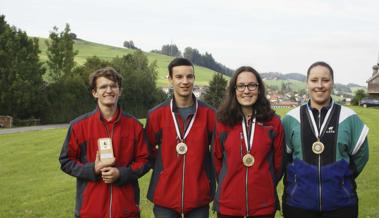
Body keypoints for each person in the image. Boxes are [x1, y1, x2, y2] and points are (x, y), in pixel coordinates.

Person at [281, 61, 369, 218]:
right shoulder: (290, 119)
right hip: (298, 205)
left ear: (333, 83)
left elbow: (361, 156)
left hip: (341, 205)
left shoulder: (349, 118)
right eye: (314, 80)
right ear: (307, 83)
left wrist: (341, 179)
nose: (319, 85)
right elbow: (283, 158)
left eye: (325, 80)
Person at [59, 67, 149, 218]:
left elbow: (145, 160)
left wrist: (121, 173)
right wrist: (92, 169)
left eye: (113, 86)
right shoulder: (78, 126)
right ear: (94, 93)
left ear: (120, 91)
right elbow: (66, 161)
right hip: (90, 211)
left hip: (126, 211)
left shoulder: (135, 126)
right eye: (103, 87)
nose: (109, 90)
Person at [145, 57, 216, 218]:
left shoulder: (210, 115)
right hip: (165, 198)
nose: (185, 81)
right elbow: (147, 151)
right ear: (170, 79)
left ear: (194, 78)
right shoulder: (156, 115)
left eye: (189, 76)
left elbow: (218, 152)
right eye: (179, 77)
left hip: (199, 197)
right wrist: (165, 169)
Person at [213, 66, 285, 218]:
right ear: (234, 90)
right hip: (228, 206)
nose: (246, 91)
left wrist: (265, 181)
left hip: (263, 207)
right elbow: (216, 161)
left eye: (252, 85)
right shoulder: (222, 123)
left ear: (259, 89)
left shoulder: (273, 123)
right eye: (241, 86)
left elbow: (279, 164)